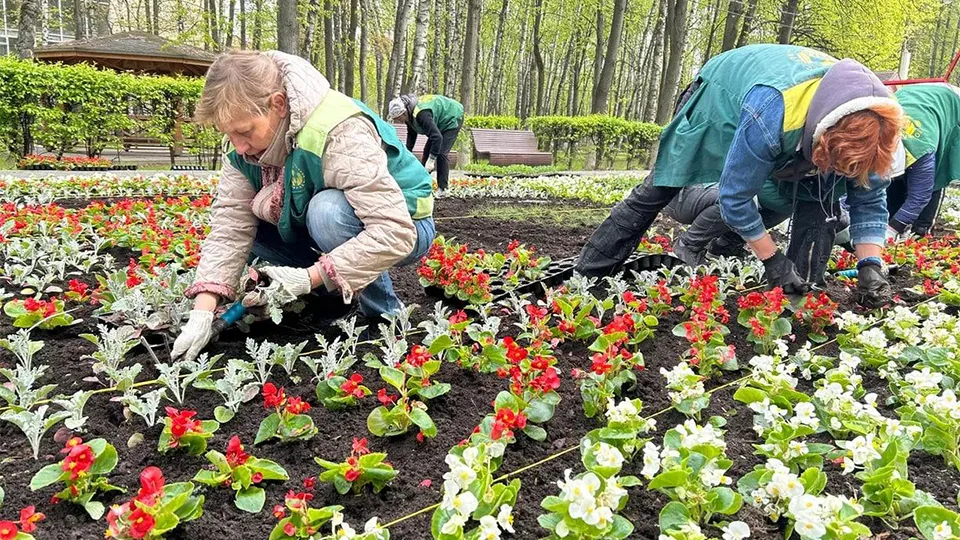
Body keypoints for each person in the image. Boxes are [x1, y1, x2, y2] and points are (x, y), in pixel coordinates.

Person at [576, 44, 902, 308]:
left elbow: (869, 199)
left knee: (820, 196)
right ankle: (589, 274)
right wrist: (772, 259)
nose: (832, 170)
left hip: (802, 120)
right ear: (823, 136)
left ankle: (798, 294)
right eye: (830, 160)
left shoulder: (877, 135)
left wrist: (870, 264)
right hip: (719, 95)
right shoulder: (773, 110)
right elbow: (735, 196)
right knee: (661, 186)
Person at [171, 50, 436, 362]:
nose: (238, 146)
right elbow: (230, 227)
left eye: (244, 132)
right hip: (324, 222)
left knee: (328, 213)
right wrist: (203, 312)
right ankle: (332, 297)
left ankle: (383, 316)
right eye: (229, 133)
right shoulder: (241, 150)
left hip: (406, 223)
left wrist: (308, 277)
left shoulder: (338, 128)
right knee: (251, 226)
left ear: (278, 105)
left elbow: (394, 232)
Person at [886, 83, 960, 239]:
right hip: (909, 98)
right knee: (889, 197)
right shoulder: (871, 143)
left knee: (933, 179)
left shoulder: (922, 155)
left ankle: (920, 230)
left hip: (948, 107)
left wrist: (892, 229)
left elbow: (920, 195)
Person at [387, 94, 464, 196]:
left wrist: (431, 161)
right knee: (427, 151)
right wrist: (405, 156)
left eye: (397, 118)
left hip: (452, 116)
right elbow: (411, 137)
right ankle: (421, 184)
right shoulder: (409, 116)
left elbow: (437, 137)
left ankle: (443, 188)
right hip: (440, 122)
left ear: (403, 112)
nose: (397, 121)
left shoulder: (421, 114)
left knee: (441, 153)